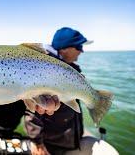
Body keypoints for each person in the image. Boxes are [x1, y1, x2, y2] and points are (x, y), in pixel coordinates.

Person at [24, 27, 96, 155]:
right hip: (51, 145)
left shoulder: (70, 68)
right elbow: (33, 110)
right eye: (78, 47)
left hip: (67, 141)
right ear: (64, 48)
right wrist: (37, 142)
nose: (81, 51)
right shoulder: (46, 69)